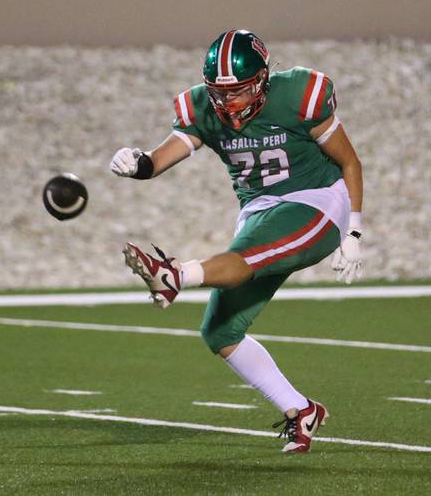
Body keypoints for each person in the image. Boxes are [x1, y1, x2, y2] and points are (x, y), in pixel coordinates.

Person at [110, 29, 363, 453]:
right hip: (260, 213)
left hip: (315, 202)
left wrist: (354, 230)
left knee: (242, 256)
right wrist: (135, 163)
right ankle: (300, 410)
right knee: (221, 331)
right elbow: (156, 161)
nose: (228, 103)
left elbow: (349, 160)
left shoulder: (300, 95)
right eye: (219, 93)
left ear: (263, 80)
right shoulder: (201, 109)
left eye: (239, 91)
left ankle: (175, 275)